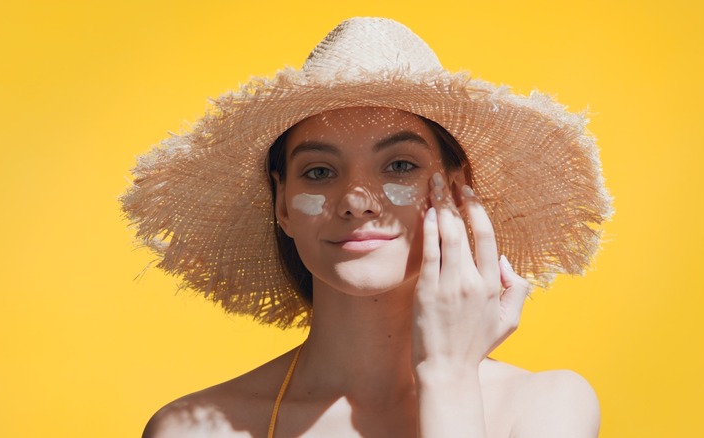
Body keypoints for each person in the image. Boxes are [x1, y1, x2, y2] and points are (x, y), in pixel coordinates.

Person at [123, 17, 611, 438]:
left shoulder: (544, 407)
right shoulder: (196, 428)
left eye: (399, 166)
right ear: (282, 203)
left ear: (457, 190)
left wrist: (448, 377)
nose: (357, 202)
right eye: (319, 171)